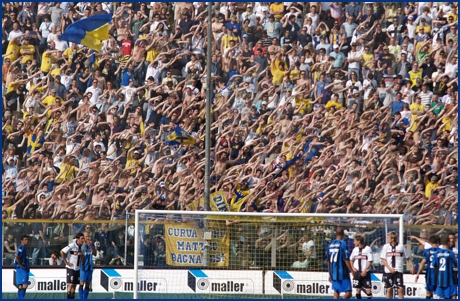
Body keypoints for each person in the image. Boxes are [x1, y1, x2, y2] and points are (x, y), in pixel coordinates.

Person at [380, 231, 415, 299]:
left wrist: (412, 266)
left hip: (398, 271)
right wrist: (390, 268)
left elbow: (407, 257)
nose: (387, 238)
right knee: (389, 289)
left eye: (388, 237)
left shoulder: (401, 246)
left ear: (392, 238)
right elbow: (383, 259)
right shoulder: (386, 247)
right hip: (388, 271)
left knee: (400, 289)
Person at [327, 227, 353, 299]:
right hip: (342, 273)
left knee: (336, 292)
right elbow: (346, 259)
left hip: (333, 273)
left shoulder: (330, 244)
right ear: (343, 234)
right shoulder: (343, 244)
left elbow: (328, 261)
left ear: (335, 234)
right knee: (348, 293)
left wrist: (330, 273)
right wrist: (351, 270)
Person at [414, 235, 441, 299]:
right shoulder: (441, 251)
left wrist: (418, 273)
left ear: (430, 242)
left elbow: (422, 263)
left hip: (430, 275)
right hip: (439, 275)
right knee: (438, 293)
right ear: (438, 242)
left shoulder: (427, 251)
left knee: (428, 292)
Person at [61, 233, 85, 299]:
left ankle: (72, 298)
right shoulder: (72, 245)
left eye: (83, 238)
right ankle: (68, 298)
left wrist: (81, 260)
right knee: (70, 284)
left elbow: (82, 254)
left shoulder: (82, 246)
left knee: (74, 285)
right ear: (77, 239)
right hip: (71, 267)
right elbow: (62, 251)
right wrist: (66, 262)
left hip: (77, 268)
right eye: (81, 239)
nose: (83, 240)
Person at [433, 235, 458, 299]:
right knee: (453, 295)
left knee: (441, 297)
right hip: (449, 279)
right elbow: (456, 265)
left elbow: (434, 265)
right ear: (448, 242)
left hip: (439, 279)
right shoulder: (450, 253)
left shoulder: (437, 253)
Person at [350, 235, 373, 299]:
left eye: (354, 241)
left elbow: (370, 261)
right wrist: (352, 267)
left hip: (366, 273)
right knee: (358, 290)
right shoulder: (355, 249)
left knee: (368, 290)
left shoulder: (368, 249)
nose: (353, 242)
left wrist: (365, 270)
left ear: (359, 241)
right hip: (357, 272)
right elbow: (351, 259)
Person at [79, 231, 96, 299]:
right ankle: (81, 298)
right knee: (82, 283)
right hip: (82, 266)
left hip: (89, 266)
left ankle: (85, 298)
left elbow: (95, 253)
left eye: (89, 236)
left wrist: (91, 246)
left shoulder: (91, 243)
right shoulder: (81, 245)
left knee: (87, 283)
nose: (88, 238)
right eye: (87, 236)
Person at [14, 235, 30, 300]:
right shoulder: (21, 247)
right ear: (22, 240)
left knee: (20, 286)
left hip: (20, 269)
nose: (27, 241)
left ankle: (20, 298)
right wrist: (20, 264)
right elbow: (17, 255)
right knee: (25, 284)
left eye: (27, 240)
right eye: (25, 240)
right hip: (22, 269)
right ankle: (21, 298)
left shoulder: (24, 248)